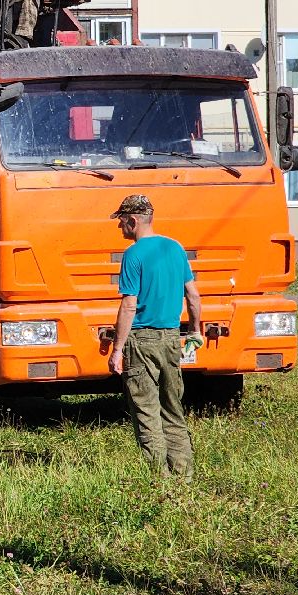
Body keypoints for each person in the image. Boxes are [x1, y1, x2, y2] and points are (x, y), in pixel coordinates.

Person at [106, 195, 202, 476]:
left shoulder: (134, 254)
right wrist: (195, 330)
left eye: (121, 221)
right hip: (172, 338)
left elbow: (129, 304)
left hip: (141, 342)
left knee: (147, 412)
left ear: (133, 221)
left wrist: (116, 349)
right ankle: (184, 477)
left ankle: (159, 482)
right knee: (173, 410)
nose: (119, 227)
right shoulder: (176, 248)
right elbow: (193, 296)